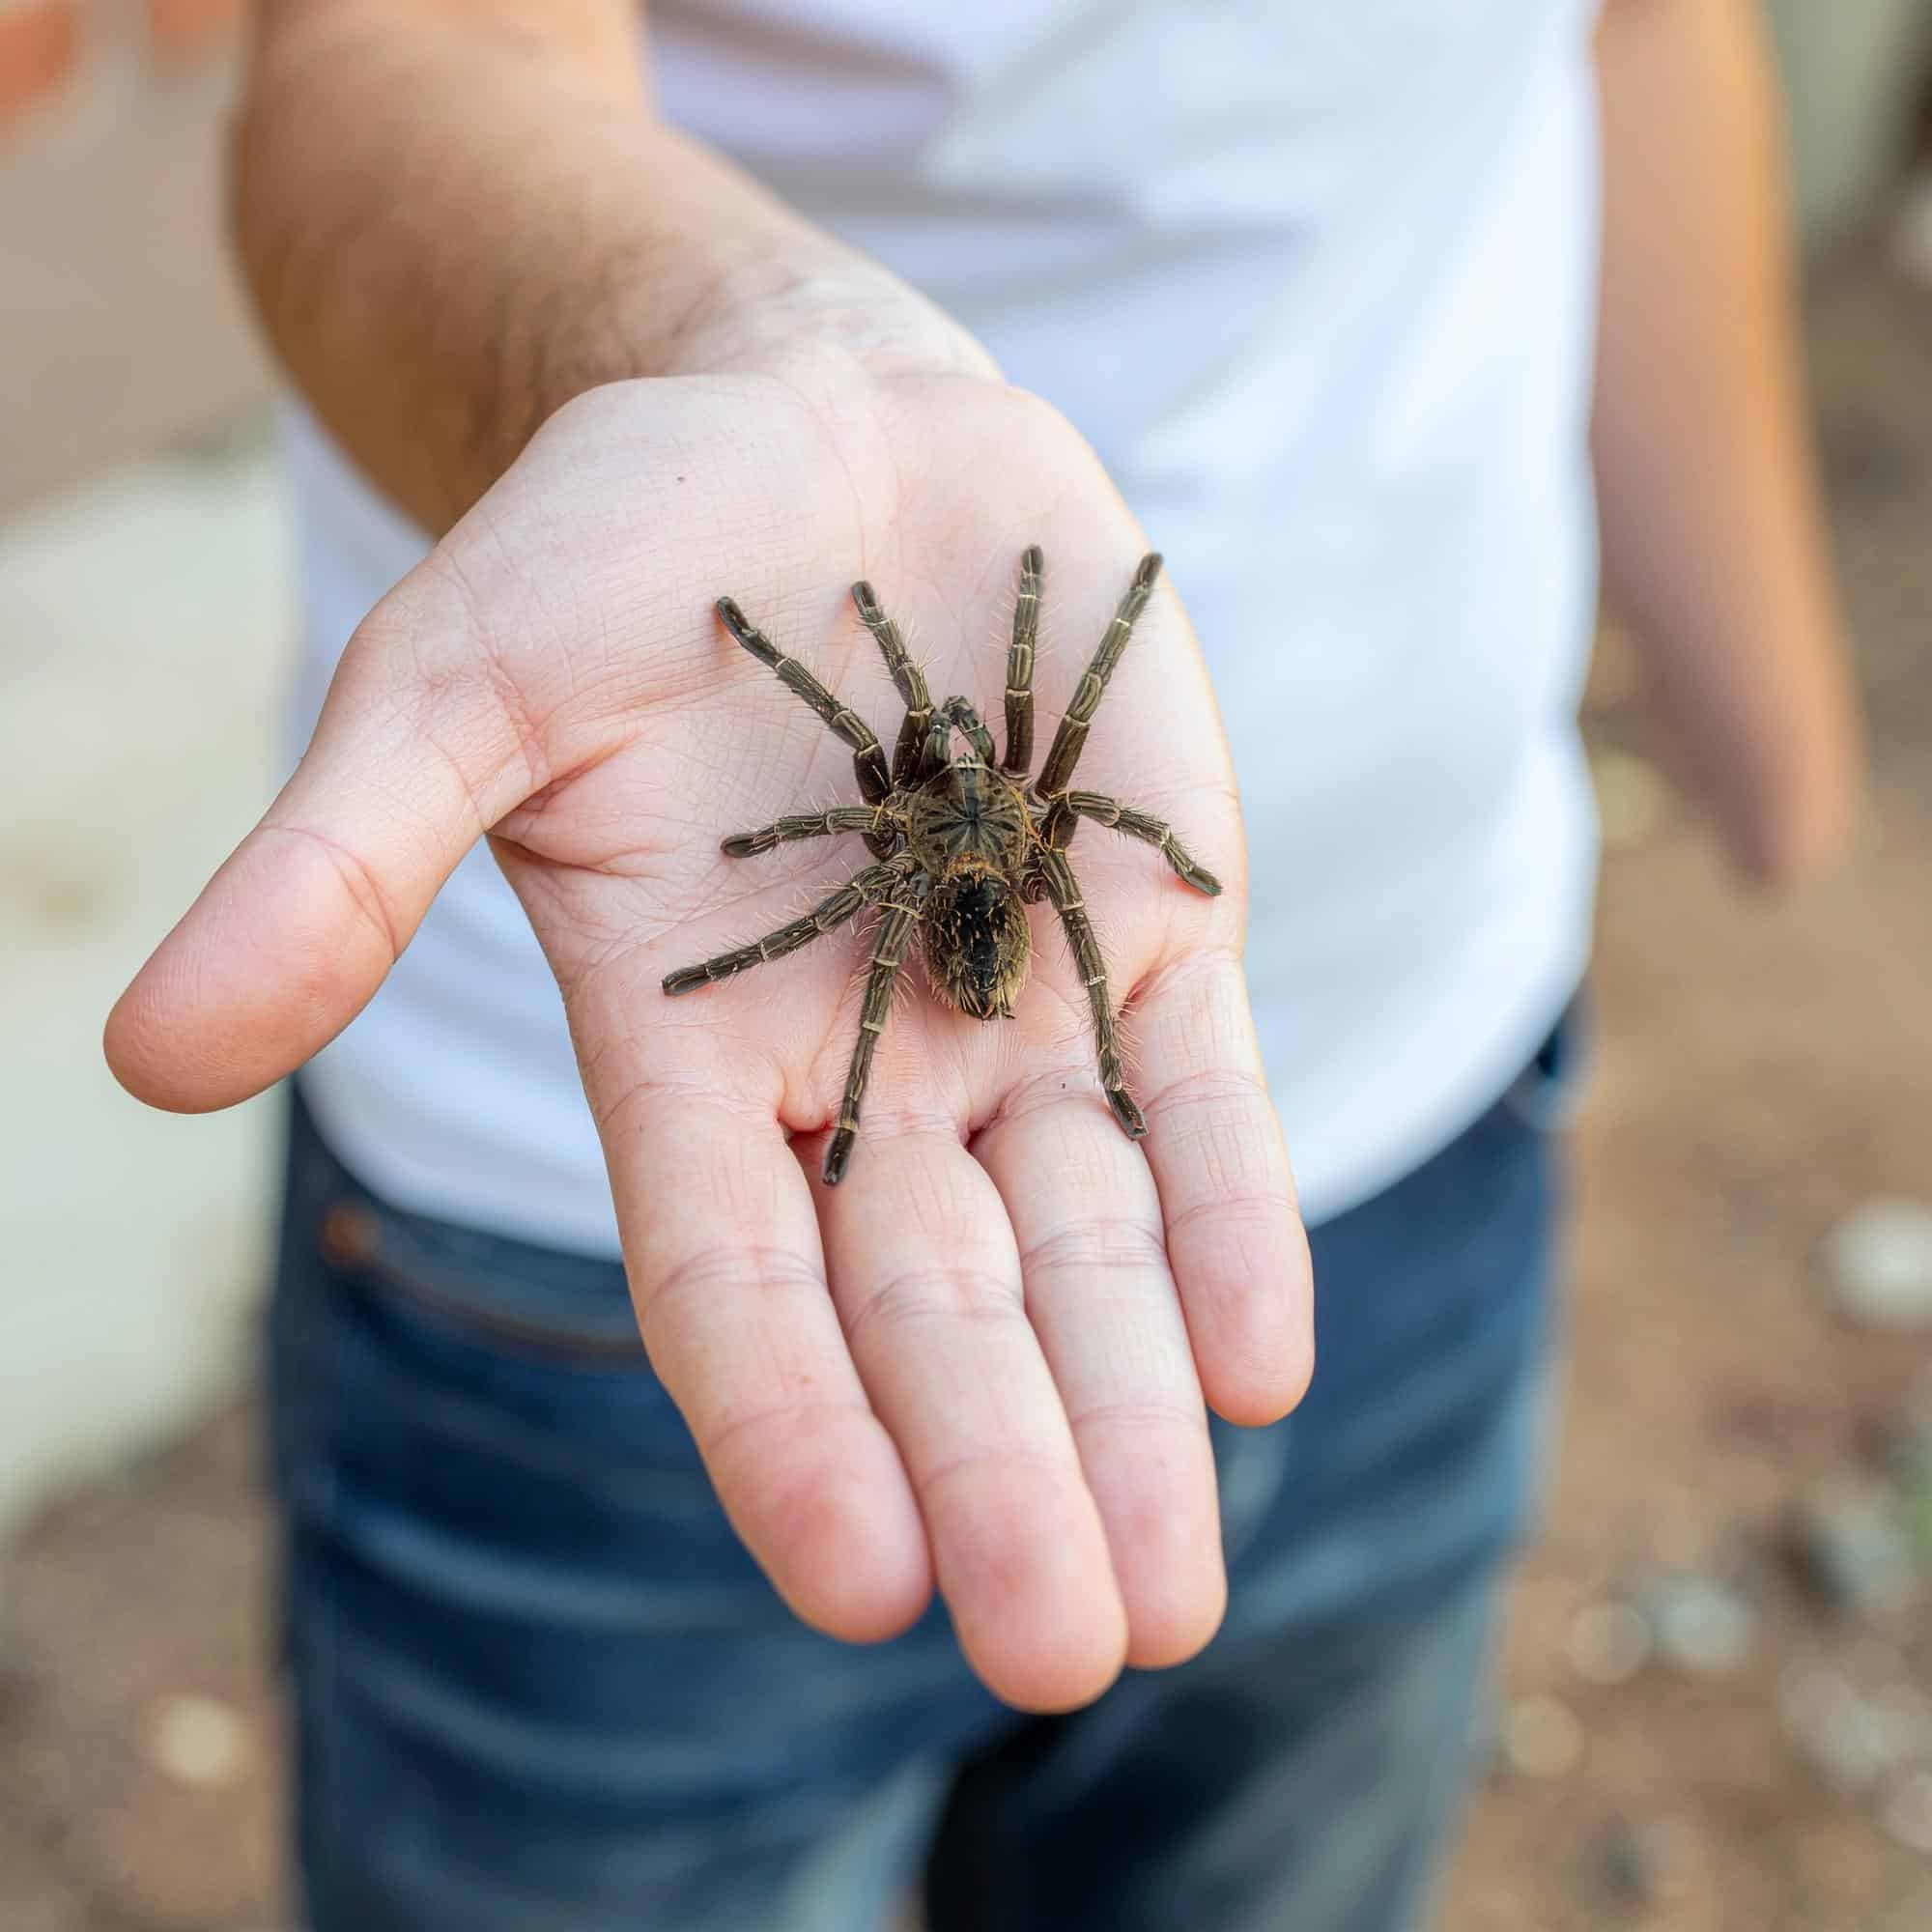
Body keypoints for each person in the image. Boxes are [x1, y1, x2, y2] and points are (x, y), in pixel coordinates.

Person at [106, 1, 1861, 1926]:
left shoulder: (910, 811)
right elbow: (391, 58)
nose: (949, 751)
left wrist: (1768, 693)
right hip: (593, 1273)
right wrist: (748, 355)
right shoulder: (990, 812)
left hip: (1441, 1072)